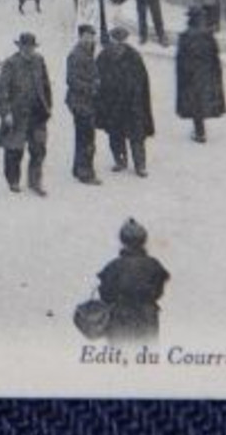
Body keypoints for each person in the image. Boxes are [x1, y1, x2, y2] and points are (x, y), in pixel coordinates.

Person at [96, 218, 170, 344]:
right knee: (145, 357)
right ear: (143, 240)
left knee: (120, 358)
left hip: (120, 319)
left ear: (123, 240)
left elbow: (105, 295)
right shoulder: (153, 265)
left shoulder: (113, 266)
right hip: (147, 318)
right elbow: (158, 292)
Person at [0, 32, 52, 196]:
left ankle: (35, 181)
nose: (29, 50)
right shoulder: (10, 64)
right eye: (25, 47)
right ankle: (13, 180)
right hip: (16, 114)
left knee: (39, 149)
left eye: (31, 47)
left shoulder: (39, 61)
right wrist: (6, 113)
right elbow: (1, 91)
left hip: (36, 112)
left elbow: (45, 85)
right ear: (20, 47)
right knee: (14, 150)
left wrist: (48, 106)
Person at [97, 27, 154, 178]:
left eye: (121, 41)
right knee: (115, 133)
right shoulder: (104, 57)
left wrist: (138, 98)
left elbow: (142, 80)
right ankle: (120, 160)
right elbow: (98, 79)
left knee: (137, 135)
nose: (119, 44)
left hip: (132, 103)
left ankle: (140, 165)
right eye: (116, 41)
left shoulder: (134, 56)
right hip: (112, 103)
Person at [175, 7, 226, 143]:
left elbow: (180, 58)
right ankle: (200, 130)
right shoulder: (208, 37)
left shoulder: (185, 37)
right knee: (201, 101)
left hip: (190, 75)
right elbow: (215, 55)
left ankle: (199, 132)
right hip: (206, 74)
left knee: (194, 103)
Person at [65, 25, 101, 185]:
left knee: (83, 136)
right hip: (81, 102)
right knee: (86, 138)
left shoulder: (87, 51)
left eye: (92, 36)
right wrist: (91, 87)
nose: (90, 39)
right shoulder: (76, 55)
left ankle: (78, 168)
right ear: (80, 37)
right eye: (87, 36)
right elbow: (71, 80)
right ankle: (85, 173)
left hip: (85, 101)